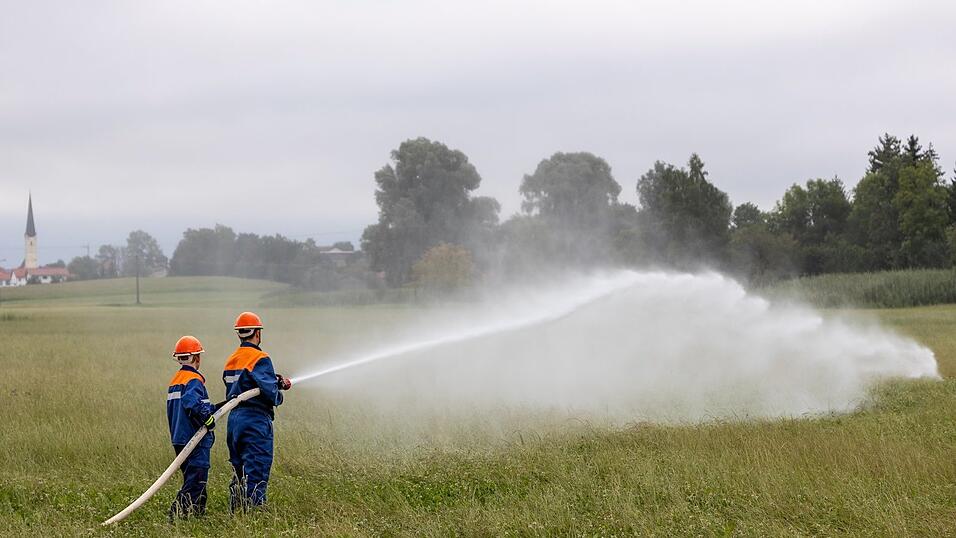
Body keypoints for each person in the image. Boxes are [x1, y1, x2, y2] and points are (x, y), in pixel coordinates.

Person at [222, 311, 292, 511]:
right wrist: (279, 394)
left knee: (239, 469)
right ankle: (254, 513)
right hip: (255, 420)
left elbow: (242, 384)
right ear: (257, 333)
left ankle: (236, 509)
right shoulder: (260, 358)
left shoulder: (232, 359)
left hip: (234, 420)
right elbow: (270, 391)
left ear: (239, 334)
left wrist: (273, 381)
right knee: (257, 468)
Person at [166, 335, 216, 520]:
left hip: (179, 439)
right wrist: (208, 420)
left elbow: (192, 405)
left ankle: (197, 517)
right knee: (196, 481)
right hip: (193, 439)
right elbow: (192, 403)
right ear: (196, 357)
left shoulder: (176, 380)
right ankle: (175, 517)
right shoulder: (194, 379)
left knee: (194, 480)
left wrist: (214, 409)